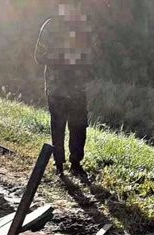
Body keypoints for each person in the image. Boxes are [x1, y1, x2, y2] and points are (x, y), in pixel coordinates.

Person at [35, 2, 94, 180]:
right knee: (58, 126)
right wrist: (63, 57)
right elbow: (39, 57)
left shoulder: (83, 27)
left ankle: (76, 163)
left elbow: (92, 55)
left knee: (79, 127)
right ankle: (59, 164)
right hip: (57, 89)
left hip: (77, 88)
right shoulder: (50, 27)